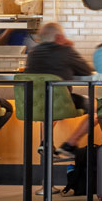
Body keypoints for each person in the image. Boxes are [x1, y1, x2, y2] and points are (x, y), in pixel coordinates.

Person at [26, 22, 92, 157]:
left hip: (34, 105)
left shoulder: (32, 54)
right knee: (101, 107)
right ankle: (70, 144)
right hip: (61, 103)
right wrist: (70, 47)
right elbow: (86, 71)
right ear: (59, 37)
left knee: (48, 104)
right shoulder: (66, 51)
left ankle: (45, 143)